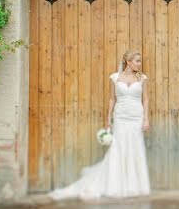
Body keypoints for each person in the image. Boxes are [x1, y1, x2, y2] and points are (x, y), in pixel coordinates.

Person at [50, 49, 151, 200]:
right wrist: (108, 119)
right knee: (119, 148)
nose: (139, 63)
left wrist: (146, 119)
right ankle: (116, 185)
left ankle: (134, 186)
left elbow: (146, 99)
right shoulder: (115, 78)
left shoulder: (142, 78)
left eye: (139, 61)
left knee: (135, 147)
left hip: (136, 116)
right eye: (137, 61)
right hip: (121, 116)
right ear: (128, 62)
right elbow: (112, 99)